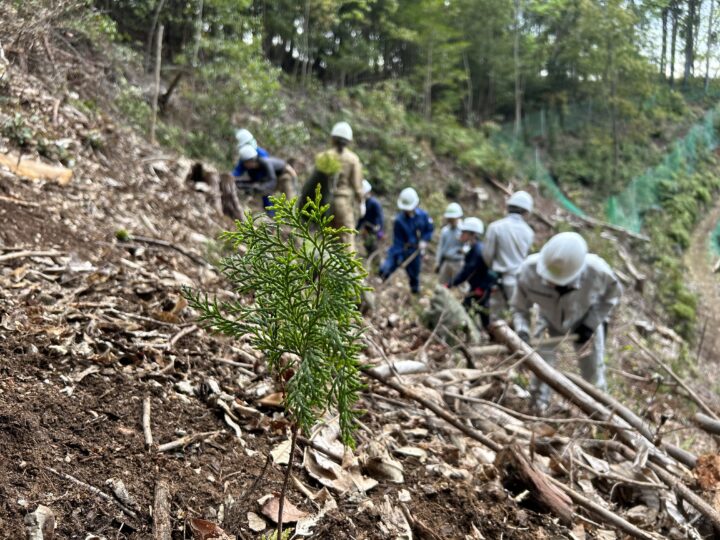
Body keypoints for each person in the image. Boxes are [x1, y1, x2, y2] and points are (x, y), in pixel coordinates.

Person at [512, 232, 623, 411]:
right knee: (541, 368)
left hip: (585, 321)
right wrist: (522, 332)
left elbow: (612, 296)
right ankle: (537, 408)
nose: (552, 285)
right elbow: (519, 308)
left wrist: (591, 323)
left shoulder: (597, 271)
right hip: (548, 320)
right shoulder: (527, 271)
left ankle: (600, 417)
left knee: (593, 375)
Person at [304, 121, 364, 249]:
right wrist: (361, 202)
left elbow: (313, 183)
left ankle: (326, 267)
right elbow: (357, 186)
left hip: (325, 203)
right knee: (347, 240)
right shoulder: (353, 159)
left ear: (332, 138)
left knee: (327, 241)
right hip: (342, 203)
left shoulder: (324, 156)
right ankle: (348, 268)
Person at [483, 190, 534, 317]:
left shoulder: (495, 227)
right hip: (519, 281)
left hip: (498, 279)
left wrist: (493, 267)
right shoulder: (529, 232)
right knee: (519, 316)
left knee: (496, 316)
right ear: (526, 211)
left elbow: (487, 255)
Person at [379, 187, 434, 294]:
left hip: (415, 251)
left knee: (414, 275)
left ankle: (415, 293)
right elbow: (397, 242)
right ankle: (380, 284)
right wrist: (399, 257)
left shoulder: (423, 216)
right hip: (401, 249)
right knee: (385, 268)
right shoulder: (399, 221)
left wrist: (424, 240)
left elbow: (429, 230)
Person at [446, 217, 496, 330]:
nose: (461, 234)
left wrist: (450, 284)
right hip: (477, 288)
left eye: (464, 232)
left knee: (467, 312)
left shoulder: (478, 251)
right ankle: (489, 334)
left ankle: (478, 335)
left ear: (472, 234)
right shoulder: (474, 248)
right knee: (482, 313)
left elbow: (467, 272)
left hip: (480, 289)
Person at [235, 145, 298, 215]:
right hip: (274, 179)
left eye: (245, 163)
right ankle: (271, 215)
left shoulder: (265, 163)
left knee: (290, 201)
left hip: (285, 175)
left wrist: (258, 187)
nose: (244, 165)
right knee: (264, 193)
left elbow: (272, 181)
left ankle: (294, 216)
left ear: (251, 161)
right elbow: (255, 181)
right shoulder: (252, 169)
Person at [436, 202, 465, 285]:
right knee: (441, 285)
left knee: (458, 286)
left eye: (453, 219)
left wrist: (464, 250)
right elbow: (440, 247)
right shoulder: (445, 231)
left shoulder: (464, 230)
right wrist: (438, 263)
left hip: (458, 262)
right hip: (446, 261)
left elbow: (468, 245)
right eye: (449, 219)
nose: (451, 221)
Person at [356, 179, 384, 256]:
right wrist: (356, 230)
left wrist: (380, 229)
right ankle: (369, 255)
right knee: (367, 245)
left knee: (374, 246)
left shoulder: (374, 203)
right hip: (367, 228)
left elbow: (379, 216)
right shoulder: (364, 203)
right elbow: (362, 219)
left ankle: (375, 259)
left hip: (375, 228)